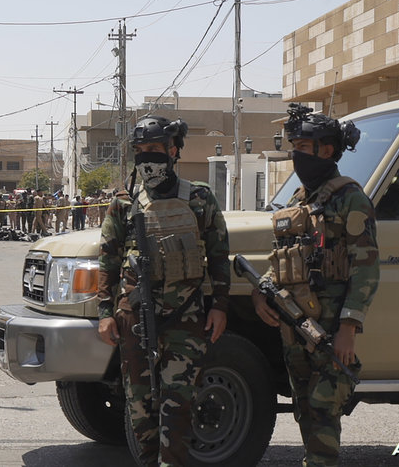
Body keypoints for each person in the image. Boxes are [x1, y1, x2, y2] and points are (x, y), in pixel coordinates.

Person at [97, 115, 230, 466]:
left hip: (185, 319)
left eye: (154, 149)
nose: (147, 158)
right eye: (140, 151)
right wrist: (104, 314)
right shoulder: (124, 203)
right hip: (134, 318)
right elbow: (108, 261)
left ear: (173, 150)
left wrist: (220, 306)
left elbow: (218, 256)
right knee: (140, 408)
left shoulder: (200, 198)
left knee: (178, 406)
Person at [251, 104, 379, 467]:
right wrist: (262, 290)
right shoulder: (298, 202)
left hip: (329, 327)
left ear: (326, 149)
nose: (295, 155)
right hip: (296, 328)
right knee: (305, 410)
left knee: (323, 412)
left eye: (302, 147)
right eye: (294, 146)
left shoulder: (349, 198)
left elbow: (367, 269)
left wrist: (348, 329)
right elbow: (282, 259)